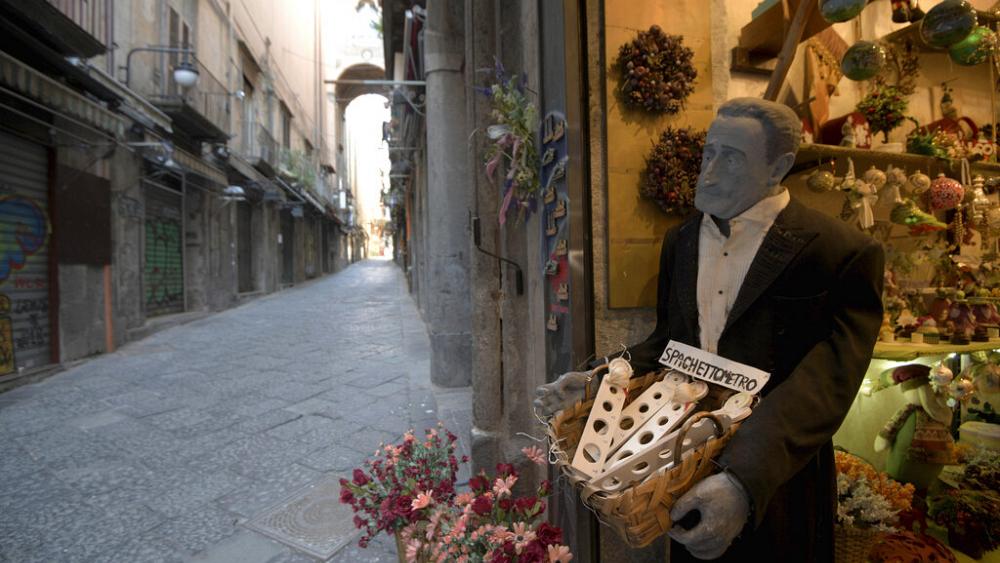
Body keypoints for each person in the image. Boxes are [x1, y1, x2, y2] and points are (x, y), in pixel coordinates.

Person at [534, 98, 884, 561]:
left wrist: (745, 479)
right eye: (709, 153)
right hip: (682, 457)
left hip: (774, 474)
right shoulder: (682, 240)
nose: (710, 170)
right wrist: (599, 382)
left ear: (777, 166)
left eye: (732, 158)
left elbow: (828, 382)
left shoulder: (841, 252)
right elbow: (668, 346)